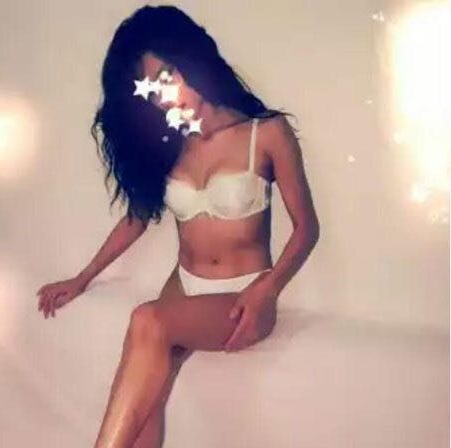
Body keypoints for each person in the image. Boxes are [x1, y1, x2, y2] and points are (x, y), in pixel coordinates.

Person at [36, 5, 319, 448]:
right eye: (152, 88)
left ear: (192, 59)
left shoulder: (266, 133)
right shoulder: (172, 144)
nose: (164, 95)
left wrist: (268, 289)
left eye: (167, 75)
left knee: (147, 320)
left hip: (242, 294)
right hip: (183, 285)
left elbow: (306, 228)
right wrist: (82, 278)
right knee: (147, 396)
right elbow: (137, 218)